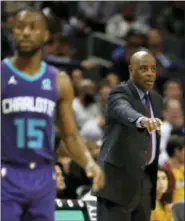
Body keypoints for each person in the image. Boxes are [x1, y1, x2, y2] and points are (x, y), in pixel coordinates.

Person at [1, 8, 105, 221]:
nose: (26, 33)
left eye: (33, 28)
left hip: (43, 176)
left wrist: (89, 163)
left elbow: (70, 135)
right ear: (12, 33)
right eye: (20, 28)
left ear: (45, 35)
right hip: (7, 172)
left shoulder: (60, 81)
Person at [95, 51, 163, 221]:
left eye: (153, 69)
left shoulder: (156, 99)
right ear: (131, 70)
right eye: (143, 69)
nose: (150, 73)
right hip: (117, 183)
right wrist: (141, 120)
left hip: (144, 181)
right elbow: (122, 110)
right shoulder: (119, 92)